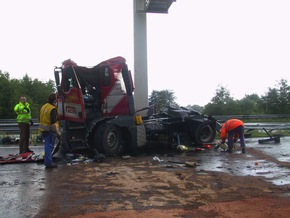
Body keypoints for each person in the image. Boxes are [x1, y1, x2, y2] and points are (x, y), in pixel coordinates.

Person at [39, 93, 61, 168]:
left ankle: (47, 161)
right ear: (55, 100)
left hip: (43, 129)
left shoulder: (44, 106)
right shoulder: (52, 108)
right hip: (50, 130)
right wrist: (58, 132)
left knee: (47, 145)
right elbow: (53, 122)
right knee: (49, 147)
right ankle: (48, 163)